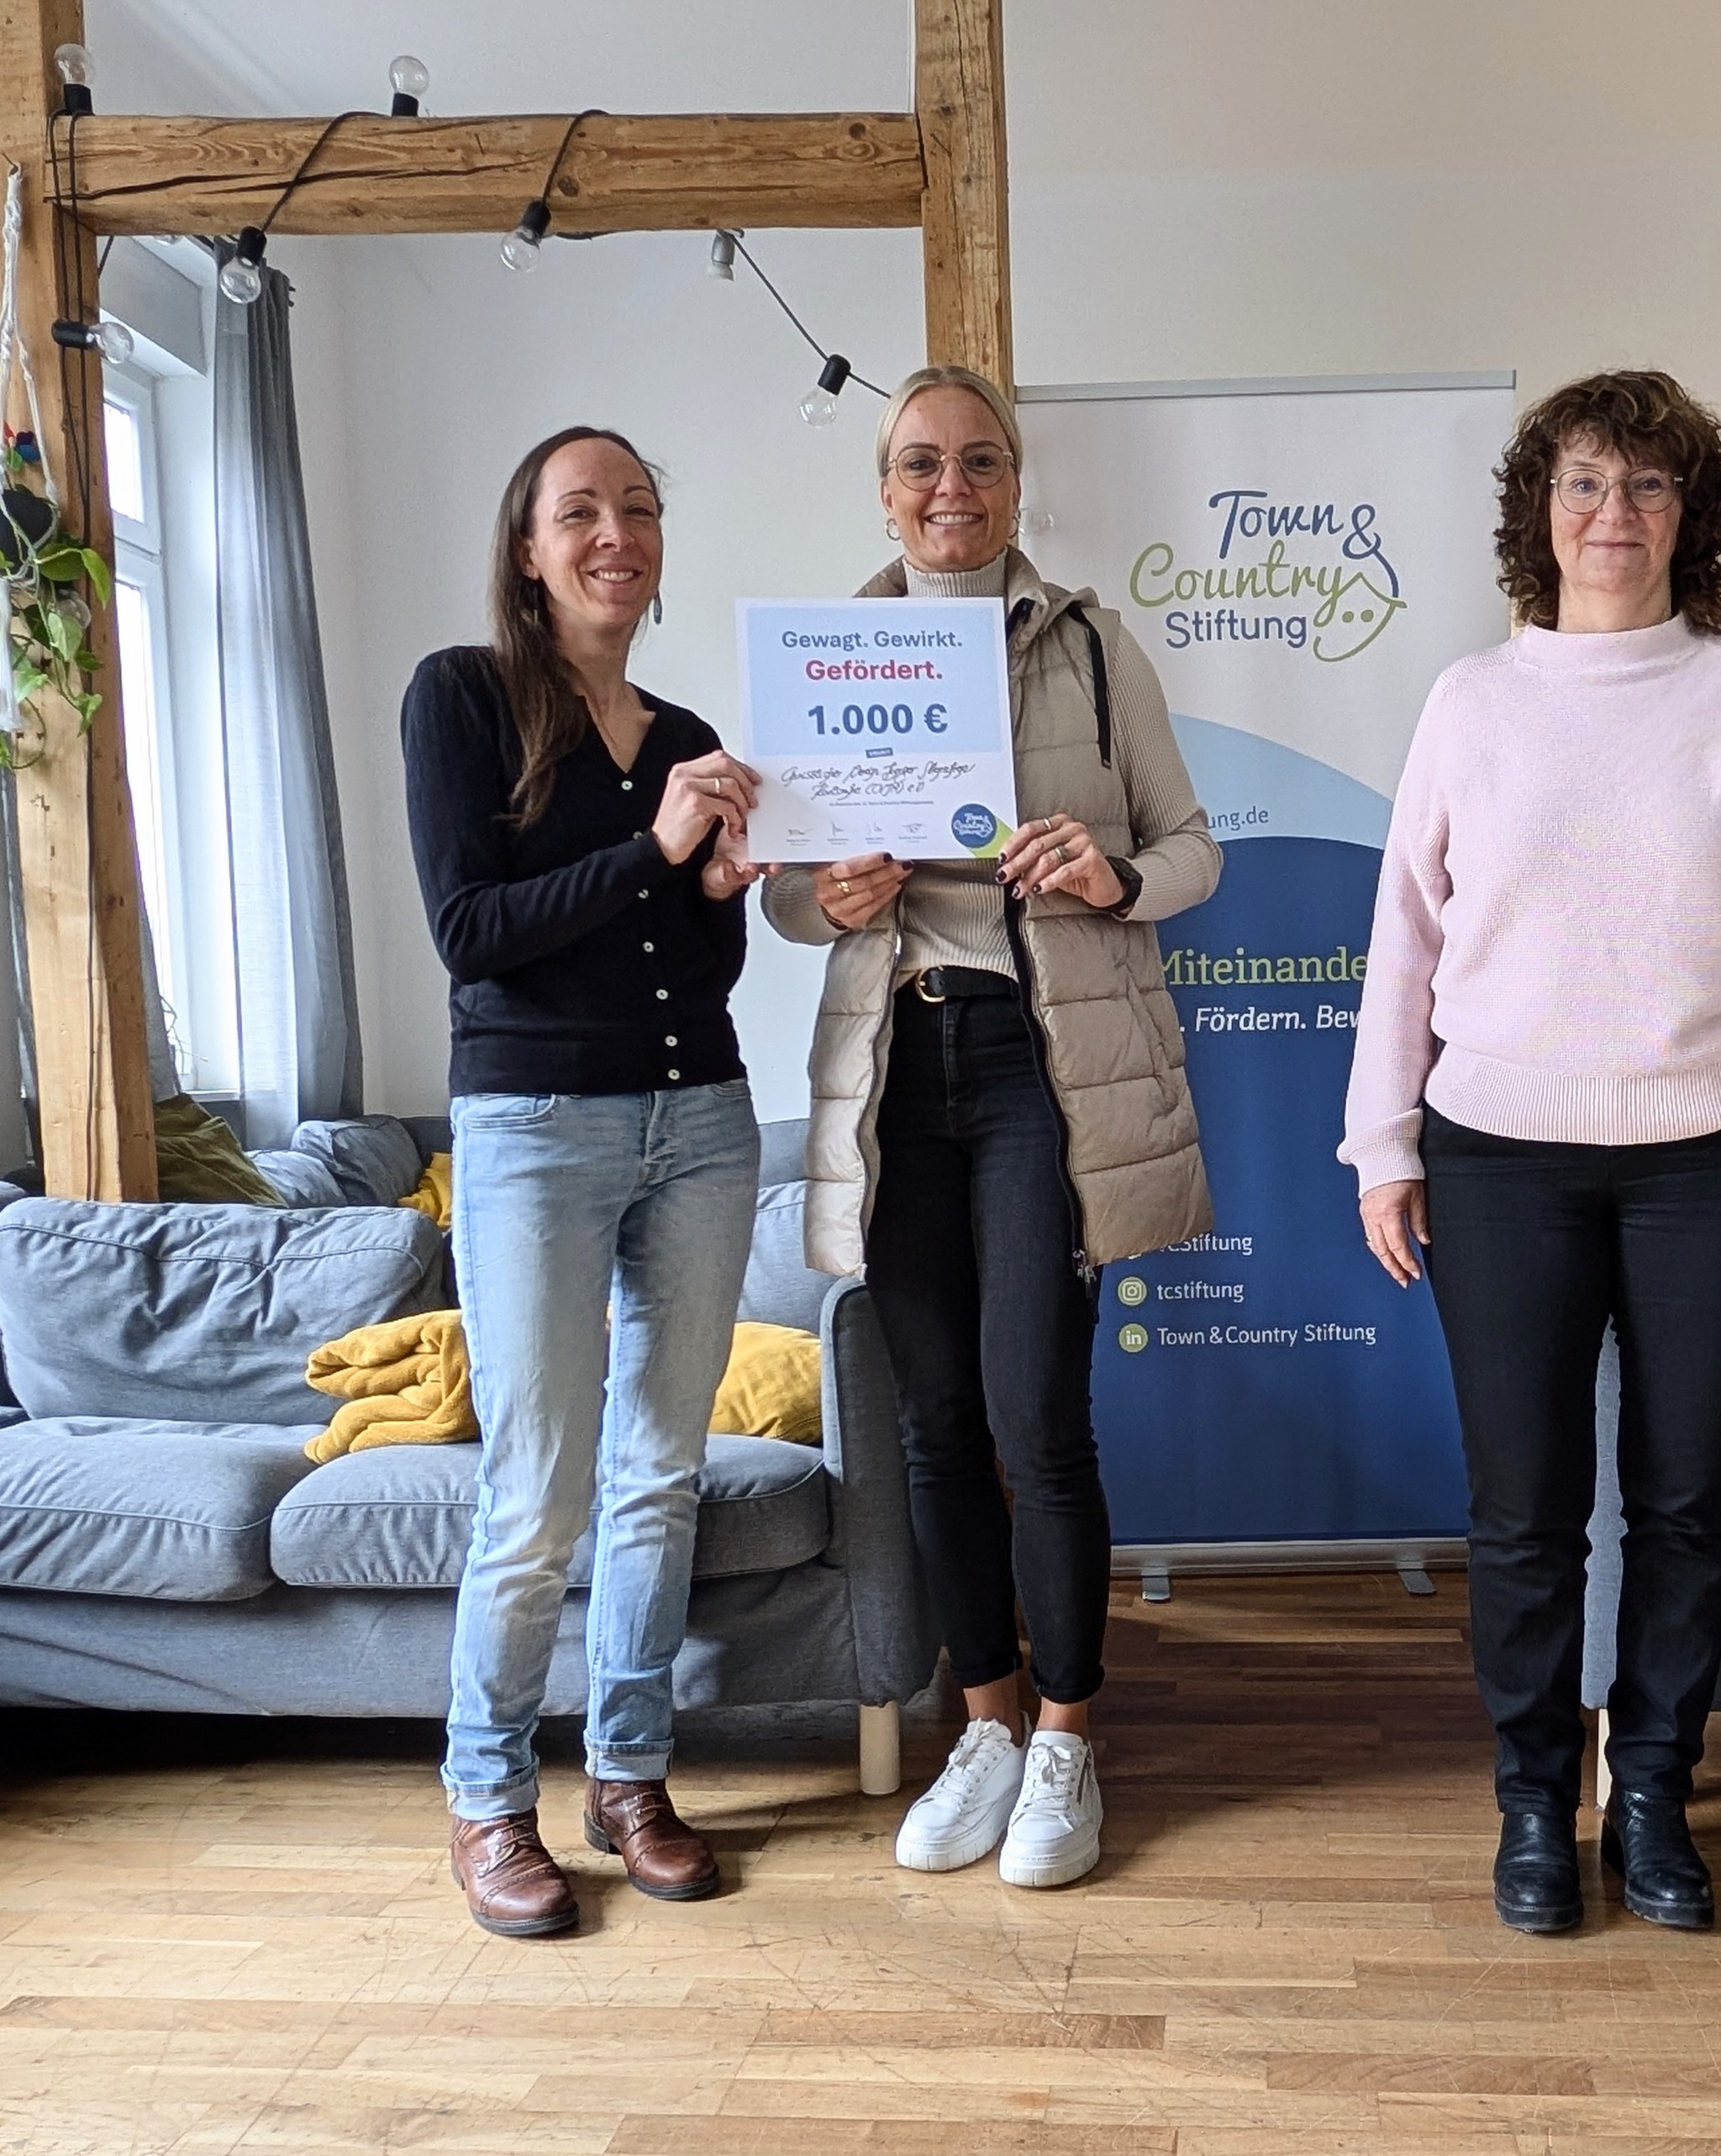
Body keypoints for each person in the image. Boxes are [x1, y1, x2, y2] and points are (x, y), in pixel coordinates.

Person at [1342, 371, 1721, 1937]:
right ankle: (1536, 1798)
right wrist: (1383, 1143)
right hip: (1499, 1154)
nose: (1614, 513)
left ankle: (1653, 1788)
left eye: (1649, 485)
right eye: (1584, 482)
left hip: (1719, 1153)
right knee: (1524, 1509)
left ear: (1688, 518)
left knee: (1686, 1500)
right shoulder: (1471, 702)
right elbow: (1404, 941)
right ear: (1540, 513)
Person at [762, 365, 1219, 1891]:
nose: (949, 489)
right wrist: (823, 894)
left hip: (1042, 1063)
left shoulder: (1089, 645)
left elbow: (1193, 848)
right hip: (898, 1067)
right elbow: (782, 894)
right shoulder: (830, 653)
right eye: (919, 464)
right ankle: (987, 1726)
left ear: (1016, 483)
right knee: (935, 1424)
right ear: (884, 491)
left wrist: (1111, 874)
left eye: (978, 462)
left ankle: (1071, 1738)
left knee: (1037, 1416)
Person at [403, 425, 768, 1938]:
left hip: (702, 1120)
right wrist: (652, 850)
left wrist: (717, 888)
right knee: (538, 1485)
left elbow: (694, 968)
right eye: (580, 511)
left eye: (638, 508)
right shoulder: (461, 695)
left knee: (659, 1475)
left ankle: (629, 1774)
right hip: (537, 1125)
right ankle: (489, 1800)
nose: (615, 532)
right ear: (529, 547)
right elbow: (469, 931)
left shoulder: (687, 730)